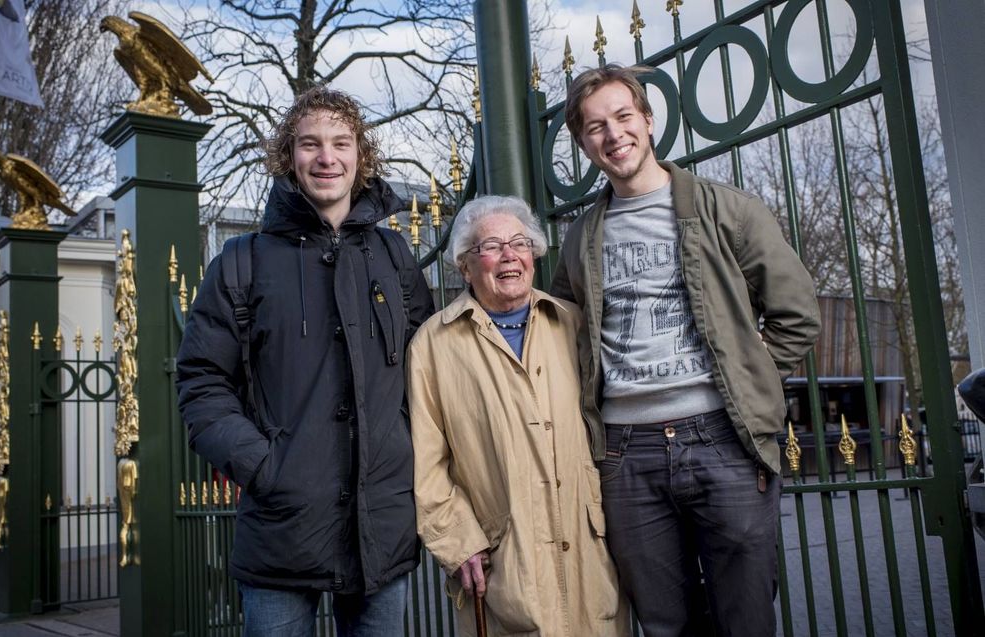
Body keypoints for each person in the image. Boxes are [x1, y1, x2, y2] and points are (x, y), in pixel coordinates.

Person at [551, 64, 821, 636]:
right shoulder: (580, 238)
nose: (613, 134)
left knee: (743, 619)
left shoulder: (730, 211)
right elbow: (558, 327)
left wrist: (748, 384)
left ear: (648, 121)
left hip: (723, 439)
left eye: (624, 117)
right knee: (665, 623)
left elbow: (796, 313)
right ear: (583, 143)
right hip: (625, 455)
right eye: (595, 127)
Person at [175, 86, 434, 636]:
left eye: (341, 143)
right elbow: (202, 382)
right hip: (280, 531)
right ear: (288, 156)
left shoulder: (396, 257)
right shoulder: (241, 263)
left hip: (382, 530)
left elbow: (429, 373)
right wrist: (264, 468)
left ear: (361, 155)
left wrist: (405, 458)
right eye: (310, 143)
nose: (326, 157)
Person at [407, 195, 629, 637]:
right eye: (490, 246)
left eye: (520, 243)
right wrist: (457, 542)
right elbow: (426, 464)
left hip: (590, 552)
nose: (509, 255)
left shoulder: (573, 323)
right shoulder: (433, 345)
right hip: (504, 561)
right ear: (465, 266)